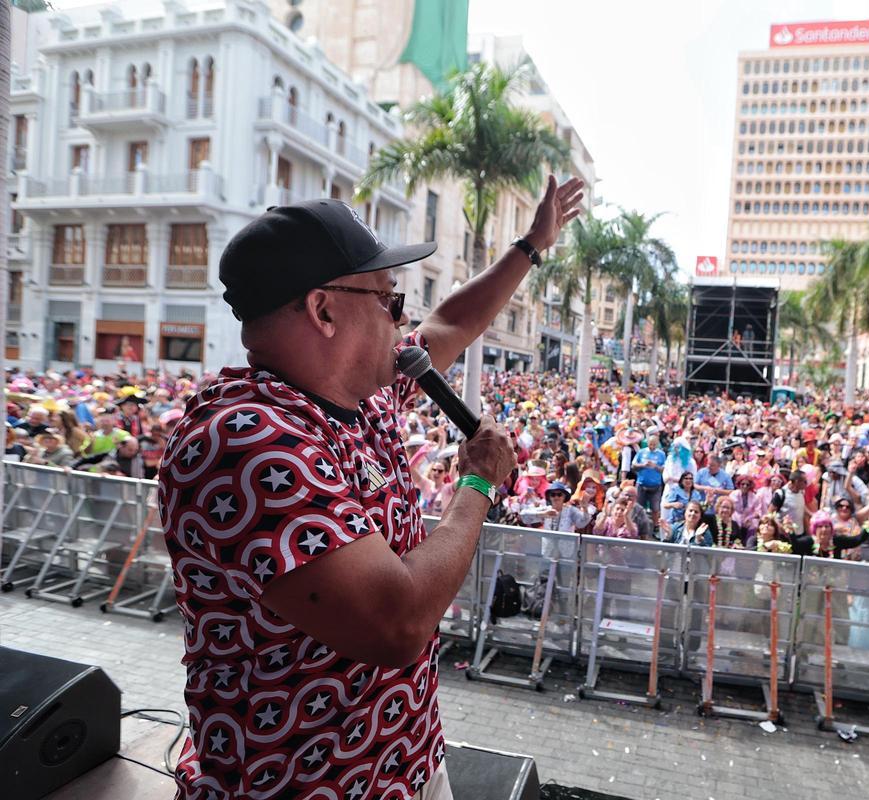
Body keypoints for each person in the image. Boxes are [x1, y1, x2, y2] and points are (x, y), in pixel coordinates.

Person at [158, 180, 583, 797]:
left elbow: (450, 321)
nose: (402, 316)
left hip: (403, 761)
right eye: (388, 299)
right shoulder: (246, 443)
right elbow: (397, 621)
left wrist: (531, 245)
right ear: (323, 310)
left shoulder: (361, 397)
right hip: (305, 785)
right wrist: (477, 481)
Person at [632, 434, 667, 526]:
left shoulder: (661, 454)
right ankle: (637, 525)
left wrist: (655, 466)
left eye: (654, 444)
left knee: (655, 509)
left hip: (655, 485)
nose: (652, 446)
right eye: (650, 444)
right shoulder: (641, 452)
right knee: (638, 507)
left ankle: (655, 527)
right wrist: (643, 465)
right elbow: (634, 465)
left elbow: (664, 469)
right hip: (641, 484)